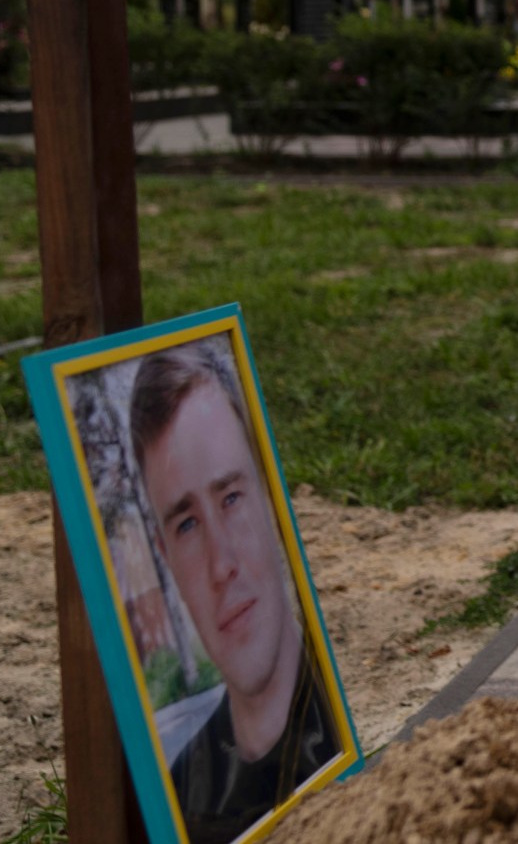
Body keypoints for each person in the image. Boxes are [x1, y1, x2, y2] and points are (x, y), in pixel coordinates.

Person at [131, 345, 337, 842]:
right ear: (165, 555)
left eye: (231, 497)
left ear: (270, 497)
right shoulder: (182, 797)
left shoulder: (333, 738)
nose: (221, 565)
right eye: (186, 524)